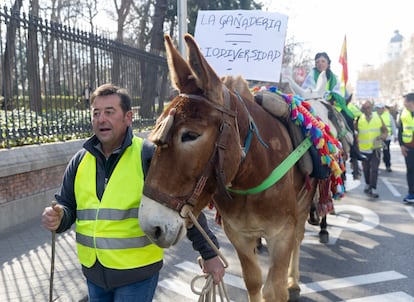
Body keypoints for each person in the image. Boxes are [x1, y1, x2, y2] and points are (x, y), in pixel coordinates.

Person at [41, 83, 225, 301]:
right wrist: (59, 215)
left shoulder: (148, 155)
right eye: (96, 113)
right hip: (93, 274)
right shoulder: (80, 160)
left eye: (109, 112)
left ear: (128, 118)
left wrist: (209, 253)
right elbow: (67, 205)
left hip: (137, 276)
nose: (101, 119)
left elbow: (182, 207)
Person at [302, 52, 367, 162]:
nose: (320, 64)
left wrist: (333, 97)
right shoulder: (311, 76)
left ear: (328, 63)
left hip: (332, 104)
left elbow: (339, 92)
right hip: (316, 104)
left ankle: (354, 150)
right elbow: (307, 90)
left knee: (348, 117)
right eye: (317, 62)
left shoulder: (335, 78)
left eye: (323, 61)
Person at [357, 101, 388, 198]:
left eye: (369, 107)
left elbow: (385, 130)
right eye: (365, 108)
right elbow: (354, 131)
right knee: (366, 169)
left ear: (372, 108)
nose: (367, 109)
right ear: (362, 109)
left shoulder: (377, 117)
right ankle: (367, 184)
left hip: (376, 148)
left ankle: (373, 188)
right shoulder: (359, 119)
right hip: (364, 149)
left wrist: (382, 136)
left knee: (374, 169)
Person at [397, 93, 414, 203]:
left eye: (405, 101)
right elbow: (400, 131)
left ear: (411, 102)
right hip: (409, 147)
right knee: (411, 171)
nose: (403, 104)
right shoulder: (403, 114)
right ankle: (412, 194)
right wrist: (401, 145)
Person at [375, 102, 397, 172]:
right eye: (378, 108)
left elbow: (393, 125)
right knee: (377, 152)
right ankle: (376, 166)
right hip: (377, 137)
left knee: (386, 151)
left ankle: (388, 165)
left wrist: (395, 135)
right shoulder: (374, 115)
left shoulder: (388, 115)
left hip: (386, 137)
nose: (379, 110)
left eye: (381, 108)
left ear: (383, 109)